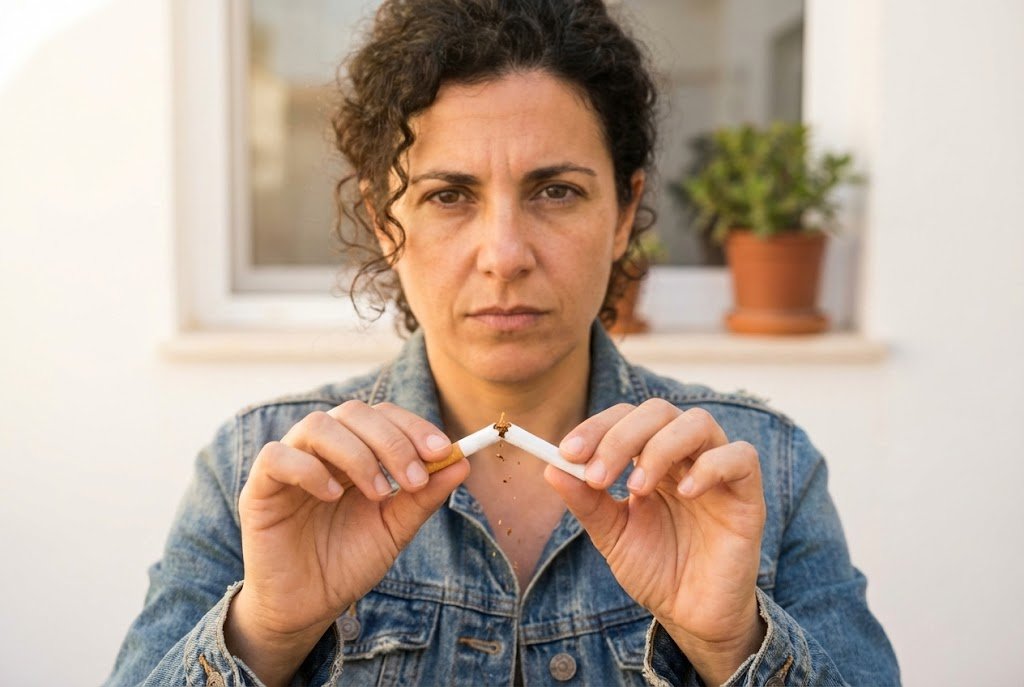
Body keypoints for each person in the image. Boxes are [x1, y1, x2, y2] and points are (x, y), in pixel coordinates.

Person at [106, 1, 899, 685]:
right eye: (449, 195)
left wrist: (733, 643)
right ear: (388, 223)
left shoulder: (759, 468)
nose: (505, 253)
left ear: (623, 213)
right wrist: (267, 631)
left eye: (556, 191)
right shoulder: (262, 475)